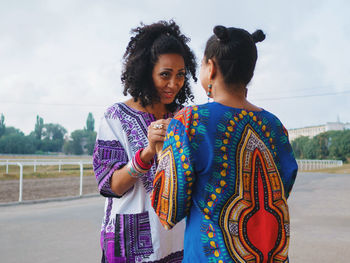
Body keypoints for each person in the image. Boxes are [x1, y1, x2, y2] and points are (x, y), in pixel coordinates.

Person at [151, 25, 298, 263]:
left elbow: (168, 210)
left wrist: (160, 151)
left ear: (211, 66)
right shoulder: (274, 125)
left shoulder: (189, 122)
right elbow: (281, 190)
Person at [93, 20, 197, 263]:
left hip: (177, 242)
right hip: (128, 245)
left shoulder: (184, 118)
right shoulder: (115, 117)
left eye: (180, 75)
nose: (174, 84)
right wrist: (148, 152)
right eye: (165, 74)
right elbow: (111, 185)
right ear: (145, 71)